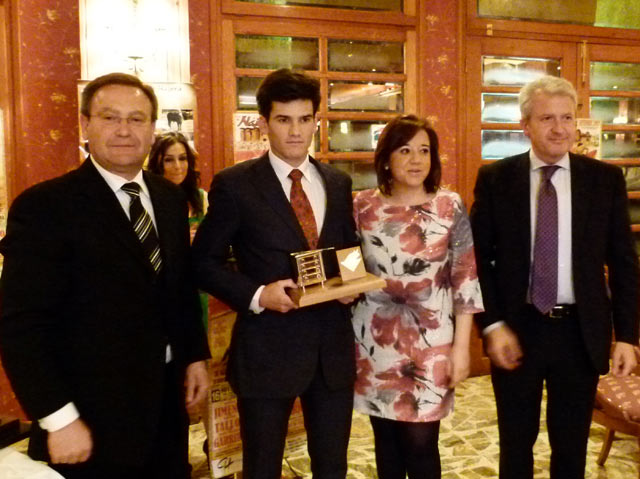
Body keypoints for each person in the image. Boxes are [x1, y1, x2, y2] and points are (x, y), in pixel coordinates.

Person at [0, 72, 211, 479]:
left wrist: (194, 356)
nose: (124, 130)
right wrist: (58, 418)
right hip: (89, 416)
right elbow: (21, 325)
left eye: (136, 119)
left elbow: (178, 290)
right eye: (110, 117)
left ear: (152, 129)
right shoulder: (45, 206)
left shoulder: (168, 198)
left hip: (166, 406)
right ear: (85, 125)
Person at [470, 75, 640, 479]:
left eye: (567, 117)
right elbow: (476, 260)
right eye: (547, 118)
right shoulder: (497, 179)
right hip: (518, 327)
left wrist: (628, 337)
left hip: (579, 332)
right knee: (516, 442)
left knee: (571, 445)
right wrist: (491, 324)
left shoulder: (603, 180)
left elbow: (623, 262)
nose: (560, 128)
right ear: (525, 124)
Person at [192, 68, 358, 479]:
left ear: (317, 121)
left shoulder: (337, 182)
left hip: (331, 351)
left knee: (332, 465)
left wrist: (353, 285)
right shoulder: (235, 185)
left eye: (305, 119)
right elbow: (201, 262)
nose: (296, 131)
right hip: (268, 348)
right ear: (265, 123)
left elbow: (346, 250)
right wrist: (256, 295)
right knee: (262, 467)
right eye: (284, 120)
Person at [351, 114, 483, 479]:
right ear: (386, 158)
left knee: (422, 444)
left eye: (424, 151)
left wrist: (461, 348)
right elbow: (348, 269)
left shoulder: (449, 206)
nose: (416, 159)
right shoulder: (362, 206)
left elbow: (466, 278)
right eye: (405, 150)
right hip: (374, 343)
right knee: (386, 443)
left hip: (432, 342)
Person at [148, 131, 208, 239]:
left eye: (182, 158)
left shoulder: (202, 198)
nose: (177, 166)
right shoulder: (145, 200)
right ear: (156, 164)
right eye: (168, 160)